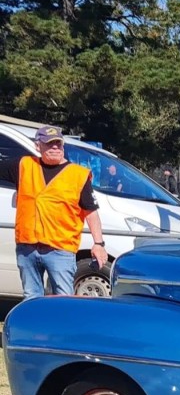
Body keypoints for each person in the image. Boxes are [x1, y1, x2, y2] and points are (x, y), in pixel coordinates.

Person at [0, 125, 108, 298]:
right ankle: (33, 326)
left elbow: (91, 212)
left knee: (63, 300)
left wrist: (99, 244)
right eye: (50, 144)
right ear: (38, 146)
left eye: (58, 143)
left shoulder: (77, 175)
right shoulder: (24, 166)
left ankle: (64, 326)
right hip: (27, 247)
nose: (55, 147)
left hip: (60, 250)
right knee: (31, 298)